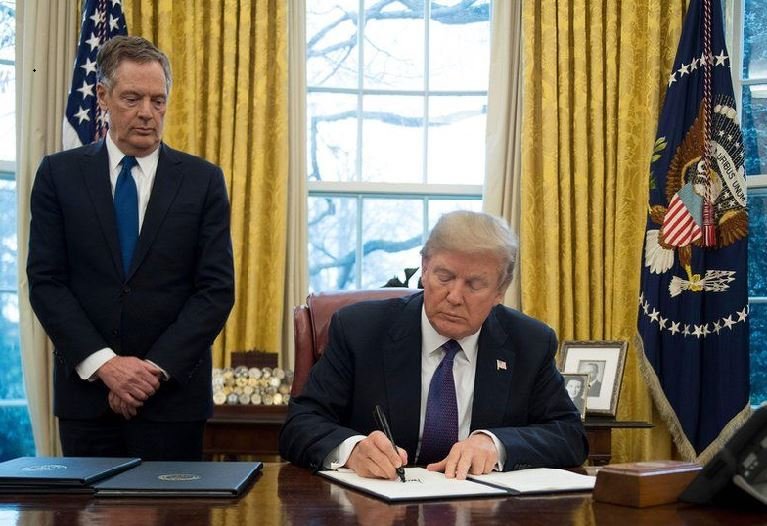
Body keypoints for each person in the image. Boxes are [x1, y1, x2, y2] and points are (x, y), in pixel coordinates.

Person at [27, 36, 235, 460]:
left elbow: (215, 290)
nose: (147, 113)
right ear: (102, 96)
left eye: (158, 101)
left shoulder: (203, 181)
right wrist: (106, 366)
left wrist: (149, 372)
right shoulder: (58, 175)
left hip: (172, 402)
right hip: (88, 401)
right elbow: (46, 283)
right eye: (132, 98)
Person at [280, 211, 588, 480]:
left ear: (500, 290)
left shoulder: (529, 343)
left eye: (474, 284)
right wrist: (353, 449)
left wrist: (495, 444)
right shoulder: (360, 330)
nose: (454, 296)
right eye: (444, 276)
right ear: (425, 268)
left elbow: (570, 436)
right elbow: (300, 424)